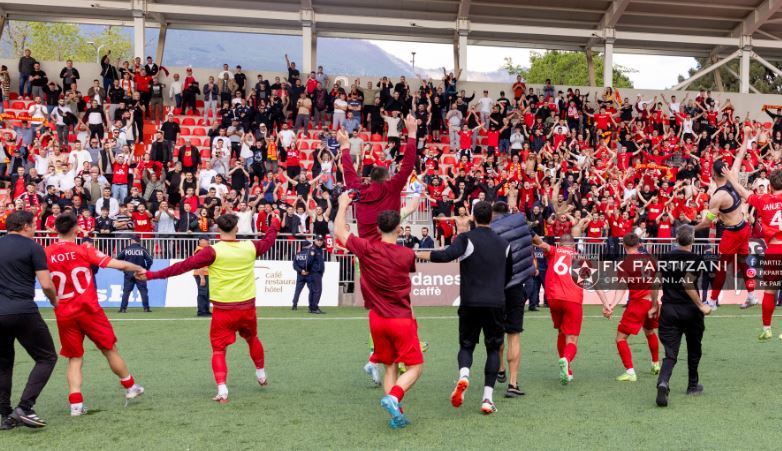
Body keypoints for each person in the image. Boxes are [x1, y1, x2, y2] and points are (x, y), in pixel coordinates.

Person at [140, 213, 279, 403]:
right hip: (247, 307)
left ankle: (223, 390)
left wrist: (151, 275)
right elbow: (269, 240)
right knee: (252, 338)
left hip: (223, 310)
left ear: (217, 230)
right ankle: (261, 374)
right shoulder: (250, 247)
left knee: (219, 350)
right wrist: (276, 223)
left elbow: (182, 266)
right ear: (237, 229)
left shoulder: (212, 251)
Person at [334, 193, 423, 429]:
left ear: (377, 227)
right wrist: (412, 207)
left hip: (376, 319)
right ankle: (394, 397)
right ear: (399, 228)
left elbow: (340, 232)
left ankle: (397, 414)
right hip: (400, 318)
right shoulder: (406, 255)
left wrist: (343, 205)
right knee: (415, 367)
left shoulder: (366, 248)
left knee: (389, 366)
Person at [45, 214, 146, 417]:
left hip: (64, 311)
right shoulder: (84, 249)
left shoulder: (45, 252)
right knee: (109, 349)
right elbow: (117, 264)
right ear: (76, 229)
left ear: (55, 230)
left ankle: (75, 404)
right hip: (88, 309)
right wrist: (138, 267)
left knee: (74, 358)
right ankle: (130, 386)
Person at [417, 201, 513, 415]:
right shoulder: (504, 244)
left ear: (473, 217)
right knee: (493, 348)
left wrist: (418, 254)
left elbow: (446, 256)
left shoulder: (466, 238)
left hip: (470, 302)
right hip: (496, 303)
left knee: (467, 346)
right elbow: (508, 276)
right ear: (492, 218)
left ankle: (464, 375)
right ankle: (487, 399)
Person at [0, 211, 58, 430]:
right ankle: (25, 407)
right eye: (33, 225)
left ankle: (5, 413)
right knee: (47, 357)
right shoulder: (33, 247)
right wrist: (55, 301)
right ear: (25, 226)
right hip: (22, 310)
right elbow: (46, 283)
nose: (35, 229)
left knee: (3, 364)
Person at [532, 228, 610, 386]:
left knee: (561, 331)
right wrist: (606, 304)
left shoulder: (554, 250)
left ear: (560, 243)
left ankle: (566, 370)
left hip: (553, 298)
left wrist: (528, 230)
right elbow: (595, 283)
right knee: (572, 338)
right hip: (572, 299)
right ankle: (566, 360)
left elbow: (540, 243)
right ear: (574, 246)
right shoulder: (581, 258)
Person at [694, 128, 755, 310]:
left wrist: (692, 229)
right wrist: (745, 136)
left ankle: (712, 301)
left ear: (713, 174)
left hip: (732, 232)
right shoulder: (733, 176)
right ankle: (751, 295)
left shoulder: (717, 197)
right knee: (744, 261)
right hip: (744, 228)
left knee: (721, 266)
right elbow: (741, 154)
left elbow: (707, 222)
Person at [655, 225, 712, 407]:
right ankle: (692, 385)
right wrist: (701, 305)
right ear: (693, 240)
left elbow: (656, 282)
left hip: (669, 309)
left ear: (676, 238)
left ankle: (663, 381)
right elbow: (688, 284)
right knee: (694, 348)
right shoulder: (696, 259)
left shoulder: (664, 257)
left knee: (670, 353)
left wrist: (652, 305)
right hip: (690, 311)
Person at [723, 167, 782, 340]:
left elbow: (743, 192)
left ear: (769, 186)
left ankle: (767, 328)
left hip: (774, 250)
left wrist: (731, 178)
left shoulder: (763, 200)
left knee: (770, 292)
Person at [339, 114, 418, 241]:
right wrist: (412, 134)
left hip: (365, 251)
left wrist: (344, 148)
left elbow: (349, 173)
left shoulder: (360, 191)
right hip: (388, 251)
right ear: (387, 177)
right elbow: (407, 166)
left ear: (371, 178)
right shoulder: (392, 187)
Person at [489, 201, 534, 398]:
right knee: (514, 335)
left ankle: (499, 368)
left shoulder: (489, 230)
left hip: (495, 287)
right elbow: (536, 240)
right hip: (515, 287)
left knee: (497, 332)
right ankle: (512, 384)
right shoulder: (521, 226)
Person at [603, 233, 661, 382]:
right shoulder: (650, 259)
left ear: (623, 246)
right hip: (653, 302)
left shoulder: (624, 264)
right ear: (639, 244)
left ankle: (630, 372)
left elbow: (621, 288)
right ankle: (656, 364)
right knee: (649, 332)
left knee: (620, 338)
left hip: (638, 303)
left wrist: (611, 305)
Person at [117, 235, 154, 313]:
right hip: (139, 273)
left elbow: (118, 258)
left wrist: (123, 268)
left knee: (126, 291)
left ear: (132, 240)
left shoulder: (126, 249)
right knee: (143, 291)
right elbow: (150, 260)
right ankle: (146, 308)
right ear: (138, 241)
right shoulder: (142, 249)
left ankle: (123, 308)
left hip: (128, 273)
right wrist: (146, 269)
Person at [291, 235, 326, 313]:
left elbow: (294, 265)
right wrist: (306, 270)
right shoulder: (313, 250)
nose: (320, 241)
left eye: (321, 240)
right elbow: (308, 262)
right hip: (313, 273)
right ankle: (314, 308)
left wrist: (301, 271)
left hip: (303, 274)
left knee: (304, 290)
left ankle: (299, 305)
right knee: (316, 291)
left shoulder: (298, 254)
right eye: (318, 240)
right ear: (315, 241)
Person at [194, 237, 211, 317]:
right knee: (202, 293)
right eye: (206, 240)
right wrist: (202, 278)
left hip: (205, 274)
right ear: (200, 241)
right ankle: (201, 311)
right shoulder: (200, 251)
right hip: (201, 274)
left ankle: (206, 310)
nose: (208, 242)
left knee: (206, 293)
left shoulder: (203, 250)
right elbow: (199, 264)